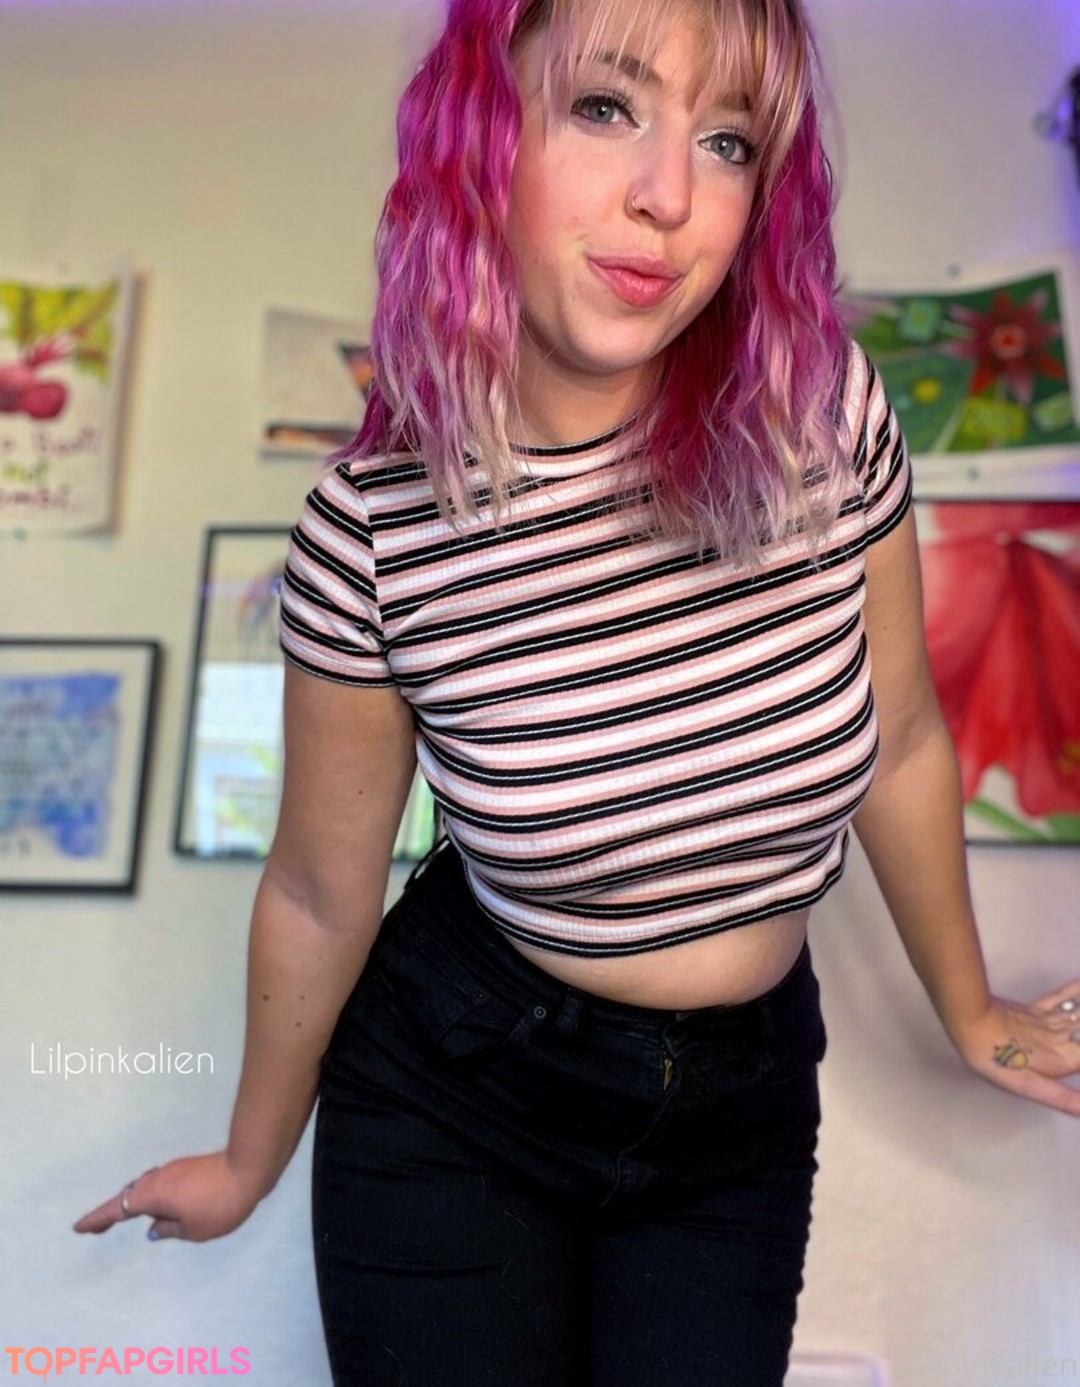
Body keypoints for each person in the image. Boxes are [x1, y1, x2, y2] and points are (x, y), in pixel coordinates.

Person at [74, 0, 1080, 1382]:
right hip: (460, 1096)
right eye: (606, 108)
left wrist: (973, 1016)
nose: (669, 195)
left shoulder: (825, 416)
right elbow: (315, 893)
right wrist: (250, 1160)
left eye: (728, 141)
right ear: (481, 135)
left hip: (739, 1115)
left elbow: (902, 741)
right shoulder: (374, 532)